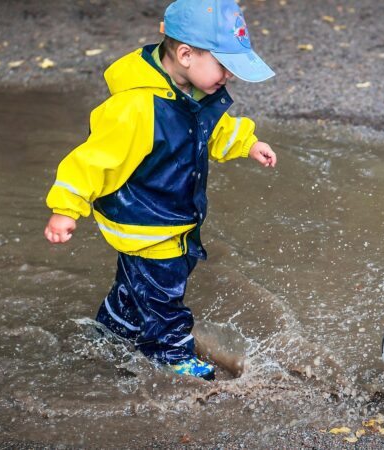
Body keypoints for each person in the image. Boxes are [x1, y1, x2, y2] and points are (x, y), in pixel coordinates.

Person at [43, 0, 276, 381]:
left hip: (165, 217)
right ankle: (169, 355)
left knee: (136, 285)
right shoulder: (136, 106)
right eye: (224, 65)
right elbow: (92, 159)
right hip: (149, 223)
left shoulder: (191, 94)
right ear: (185, 54)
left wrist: (247, 143)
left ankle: (111, 329)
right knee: (166, 297)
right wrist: (66, 209)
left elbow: (213, 129)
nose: (229, 76)